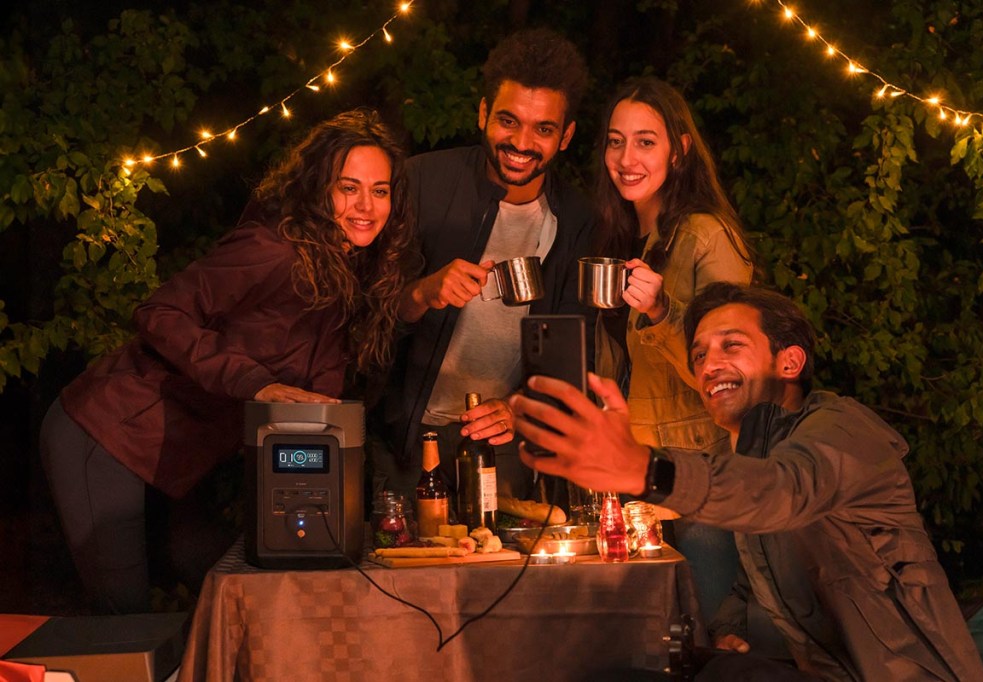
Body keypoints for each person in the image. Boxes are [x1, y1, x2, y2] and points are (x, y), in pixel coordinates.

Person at [510, 282, 983, 681]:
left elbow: (781, 492)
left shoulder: (841, 429)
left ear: (789, 363)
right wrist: (726, 631)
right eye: (698, 355)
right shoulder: (755, 454)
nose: (708, 365)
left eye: (730, 346)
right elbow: (749, 575)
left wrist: (643, 469)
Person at [39, 109, 414, 614]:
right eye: (349, 188)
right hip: (108, 433)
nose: (366, 205)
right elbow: (160, 312)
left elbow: (319, 403)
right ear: (319, 188)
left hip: (182, 461)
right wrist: (256, 384)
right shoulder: (273, 250)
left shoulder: (348, 272)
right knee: (122, 619)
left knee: (240, 591)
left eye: (380, 190)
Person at [371, 27, 594, 503]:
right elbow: (363, 314)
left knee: (497, 568)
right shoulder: (420, 182)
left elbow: (576, 350)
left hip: (504, 443)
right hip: (408, 440)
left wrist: (518, 408)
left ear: (567, 136)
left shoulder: (576, 221)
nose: (522, 142)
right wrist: (422, 293)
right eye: (508, 121)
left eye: (544, 129)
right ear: (483, 114)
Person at [593, 76, 754, 623]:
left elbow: (734, 378)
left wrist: (663, 314)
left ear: (679, 150)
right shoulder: (623, 242)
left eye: (645, 141)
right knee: (657, 640)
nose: (626, 157)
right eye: (616, 141)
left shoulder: (708, 237)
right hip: (643, 480)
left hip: (705, 479)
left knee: (710, 636)